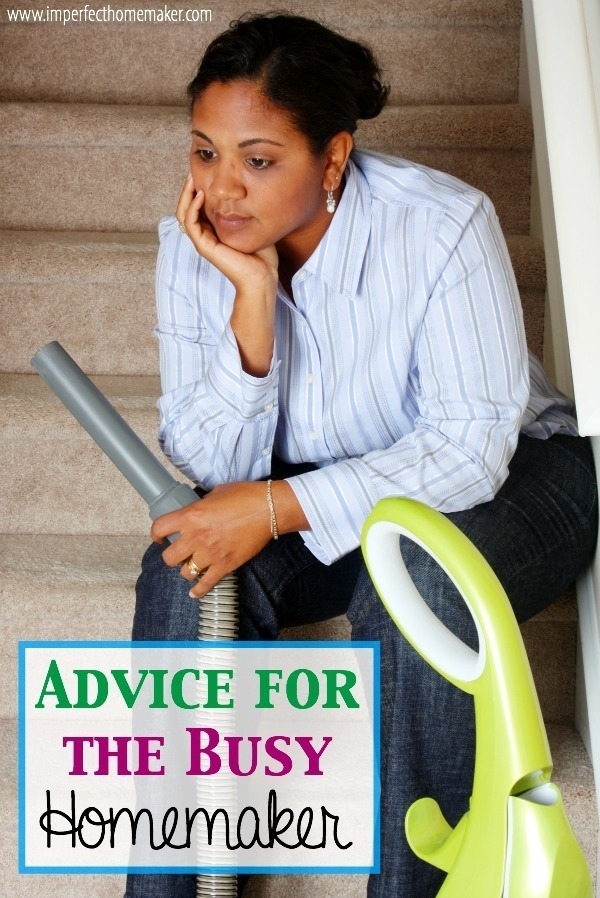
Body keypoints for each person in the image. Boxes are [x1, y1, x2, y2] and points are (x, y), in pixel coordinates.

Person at [126, 12, 598, 898]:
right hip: (324, 494)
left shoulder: (445, 223)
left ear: (334, 157)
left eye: (258, 160)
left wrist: (269, 508)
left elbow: (468, 448)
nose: (222, 189)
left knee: (413, 582)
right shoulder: (194, 246)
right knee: (177, 572)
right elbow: (206, 458)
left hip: (514, 481)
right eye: (203, 153)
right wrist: (253, 303)